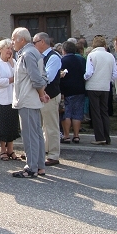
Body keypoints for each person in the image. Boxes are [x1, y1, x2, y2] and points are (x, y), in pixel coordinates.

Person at [11, 27, 49, 178]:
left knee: (30, 135)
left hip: (27, 99)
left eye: (14, 39)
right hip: (31, 99)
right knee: (37, 134)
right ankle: (40, 166)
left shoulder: (27, 54)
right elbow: (43, 76)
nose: (12, 42)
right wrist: (42, 92)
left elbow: (36, 78)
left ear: (22, 39)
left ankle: (31, 167)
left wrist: (41, 93)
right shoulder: (34, 52)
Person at [33, 32, 62, 166]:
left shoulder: (53, 57)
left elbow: (48, 78)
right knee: (43, 126)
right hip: (42, 95)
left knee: (51, 126)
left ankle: (54, 154)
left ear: (42, 42)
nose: (34, 45)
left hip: (51, 95)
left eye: (35, 42)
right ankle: (44, 150)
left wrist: (35, 78)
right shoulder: (41, 56)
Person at [84, 36, 117, 145]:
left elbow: (89, 73)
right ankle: (107, 137)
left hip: (93, 86)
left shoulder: (91, 55)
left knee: (95, 112)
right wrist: (108, 80)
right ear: (104, 45)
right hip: (105, 87)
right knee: (104, 111)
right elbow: (115, 74)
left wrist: (84, 78)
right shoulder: (110, 56)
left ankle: (99, 137)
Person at [0, 39, 21, 160]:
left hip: (13, 97)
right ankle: (2, 149)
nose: (10, 51)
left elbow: (20, 76)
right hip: (1, 98)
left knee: (12, 125)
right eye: (7, 48)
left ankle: (11, 149)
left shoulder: (13, 61)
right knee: (3, 124)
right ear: (0, 49)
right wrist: (12, 79)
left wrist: (13, 66)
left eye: (11, 48)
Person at [60, 41, 86, 144]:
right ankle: (76, 135)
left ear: (64, 50)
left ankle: (66, 136)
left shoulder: (62, 60)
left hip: (67, 90)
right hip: (79, 89)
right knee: (77, 113)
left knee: (66, 113)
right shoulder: (80, 59)